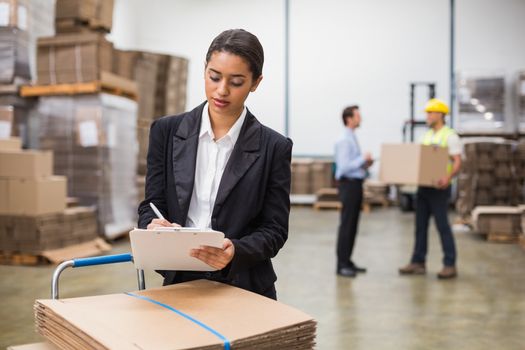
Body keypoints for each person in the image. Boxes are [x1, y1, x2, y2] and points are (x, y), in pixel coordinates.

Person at [137, 29, 293, 299]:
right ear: (205, 70)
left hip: (245, 284)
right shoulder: (166, 132)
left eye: (236, 81)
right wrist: (153, 224)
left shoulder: (274, 147)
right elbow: (151, 204)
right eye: (214, 77)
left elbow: (275, 229)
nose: (222, 90)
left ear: (256, 82)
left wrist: (237, 251)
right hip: (180, 279)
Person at [399, 98, 461, 279]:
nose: (427, 116)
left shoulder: (450, 136)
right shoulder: (425, 136)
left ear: (440, 114)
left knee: (442, 226)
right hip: (423, 187)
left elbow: (457, 162)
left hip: (440, 188)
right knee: (420, 226)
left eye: (430, 112)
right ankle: (418, 262)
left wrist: (447, 178)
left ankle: (450, 264)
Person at [334, 105, 373, 277]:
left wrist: (365, 164)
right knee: (347, 225)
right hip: (348, 185)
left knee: (353, 225)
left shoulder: (352, 137)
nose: (360, 118)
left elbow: (352, 163)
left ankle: (348, 261)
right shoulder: (344, 140)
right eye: (358, 116)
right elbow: (343, 167)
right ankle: (341, 265)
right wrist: (361, 160)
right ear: (349, 119)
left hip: (355, 184)